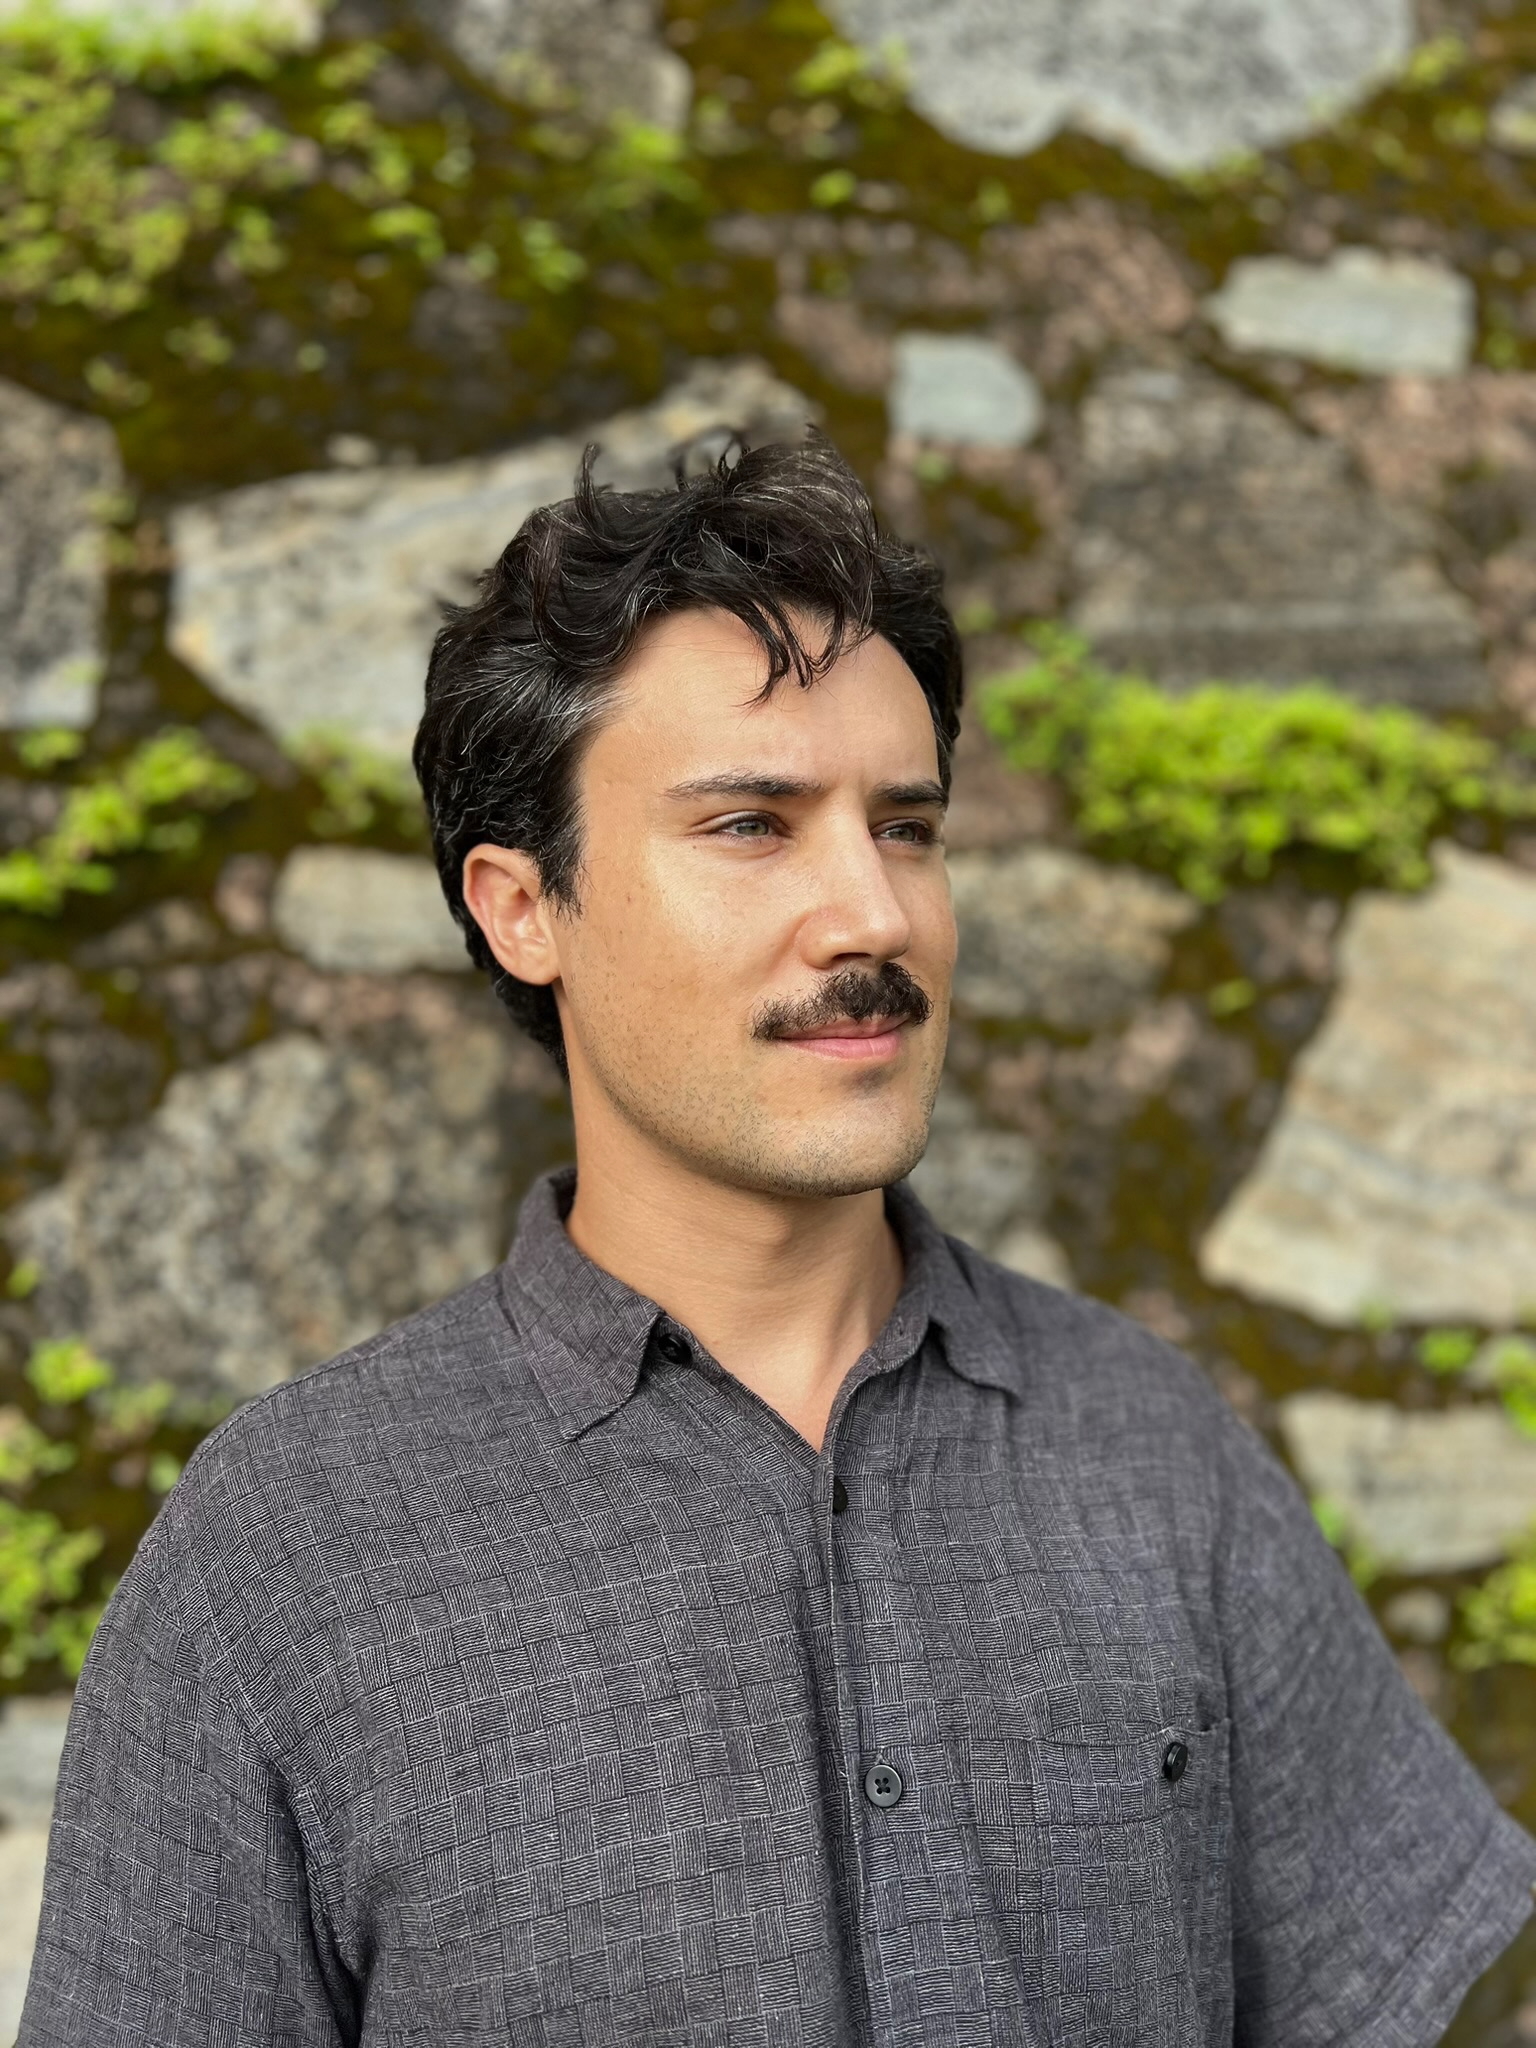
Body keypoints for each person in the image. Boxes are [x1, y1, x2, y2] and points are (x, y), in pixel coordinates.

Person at [19, 430, 1536, 2048]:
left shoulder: (1154, 1452)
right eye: (752, 823)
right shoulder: (281, 1555)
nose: (874, 914)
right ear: (523, 908)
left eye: (907, 826)